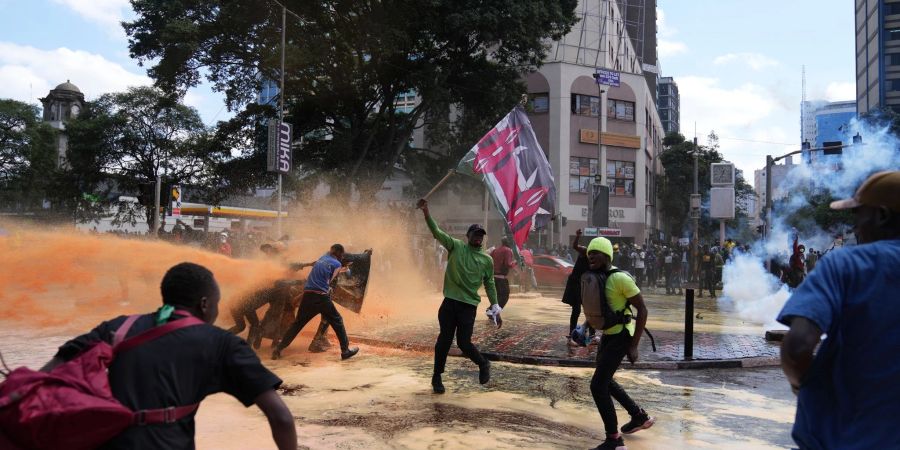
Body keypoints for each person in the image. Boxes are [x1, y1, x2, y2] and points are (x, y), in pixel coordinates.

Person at [39, 262, 296, 449]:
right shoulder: (221, 344)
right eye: (216, 305)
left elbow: (48, 374)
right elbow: (281, 418)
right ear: (205, 304)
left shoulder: (118, 327)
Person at [778, 170, 900, 449]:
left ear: (881, 216)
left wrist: (805, 388)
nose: (855, 227)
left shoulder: (844, 265)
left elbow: (796, 349)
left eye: (859, 216)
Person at [417, 198, 498, 395]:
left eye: (481, 235)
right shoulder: (456, 246)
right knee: (444, 340)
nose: (478, 237)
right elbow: (437, 232)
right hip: (450, 303)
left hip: (468, 306)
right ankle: (437, 377)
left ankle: (482, 363)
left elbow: (490, 283)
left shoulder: (487, 260)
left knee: (463, 342)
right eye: (475, 234)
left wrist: (495, 306)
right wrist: (426, 211)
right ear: (468, 235)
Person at [583, 237, 654, 450]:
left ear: (607, 256)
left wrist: (633, 345)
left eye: (596, 252)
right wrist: (585, 328)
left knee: (597, 385)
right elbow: (601, 308)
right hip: (608, 336)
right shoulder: (597, 278)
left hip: (622, 336)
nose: (592, 256)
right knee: (606, 381)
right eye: (590, 253)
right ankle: (639, 416)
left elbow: (642, 310)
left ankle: (614, 440)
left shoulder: (620, 278)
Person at [272, 244, 360, 361]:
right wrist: (346, 268)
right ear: (339, 254)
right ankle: (345, 351)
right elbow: (330, 280)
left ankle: (278, 349)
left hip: (308, 296)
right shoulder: (337, 264)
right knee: (337, 321)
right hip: (321, 298)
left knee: (297, 324)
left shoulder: (322, 258)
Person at [562, 229, 593, 345]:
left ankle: (592, 335)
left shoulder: (597, 260)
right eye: (592, 254)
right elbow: (575, 246)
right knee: (576, 310)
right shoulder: (585, 251)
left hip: (585, 286)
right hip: (575, 283)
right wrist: (577, 236)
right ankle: (571, 335)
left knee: (590, 311)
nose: (593, 256)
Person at [490, 237, 517, 309]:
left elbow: (490, 261)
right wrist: (515, 262)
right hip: (501, 279)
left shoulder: (495, 250)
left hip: (493, 278)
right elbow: (508, 264)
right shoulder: (508, 250)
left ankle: (492, 312)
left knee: (498, 296)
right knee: (504, 296)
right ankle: (492, 311)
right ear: (508, 242)